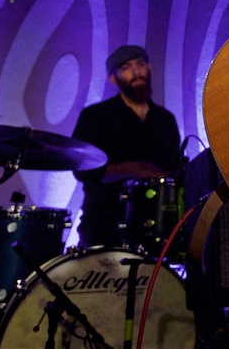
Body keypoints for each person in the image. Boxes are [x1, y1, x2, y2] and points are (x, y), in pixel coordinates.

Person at [72, 45, 183, 249]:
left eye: (140, 64)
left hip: (157, 226)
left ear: (148, 69)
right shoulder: (95, 116)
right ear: (113, 79)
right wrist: (132, 169)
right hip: (104, 224)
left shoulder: (166, 120)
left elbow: (175, 169)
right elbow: (82, 169)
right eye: (126, 67)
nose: (136, 71)